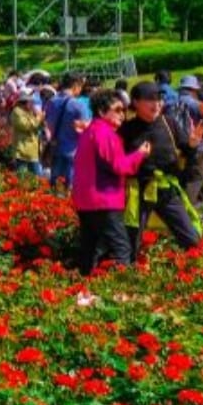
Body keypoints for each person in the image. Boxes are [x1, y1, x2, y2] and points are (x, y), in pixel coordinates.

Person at [118, 81, 202, 254]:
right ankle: (127, 276)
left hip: (166, 189)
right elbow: (118, 161)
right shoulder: (126, 129)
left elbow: (187, 152)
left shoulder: (169, 123)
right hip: (139, 191)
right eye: (150, 100)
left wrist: (192, 145)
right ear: (136, 102)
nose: (156, 104)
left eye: (159, 99)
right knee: (131, 242)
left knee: (191, 238)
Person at [72, 89, 149, 278]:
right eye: (118, 110)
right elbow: (119, 166)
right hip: (104, 199)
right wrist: (139, 154)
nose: (123, 115)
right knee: (121, 247)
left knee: (91, 248)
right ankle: (124, 288)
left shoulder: (90, 131)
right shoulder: (104, 133)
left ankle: (84, 287)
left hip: (86, 199)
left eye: (124, 110)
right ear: (101, 111)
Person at [44, 74, 92, 189]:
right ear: (75, 86)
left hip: (55, 148)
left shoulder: (51, 102)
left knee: (55, 186)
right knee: (70, 188)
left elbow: (48, 123)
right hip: (73, 150)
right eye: (80, 86)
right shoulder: (78, 105)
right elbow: (85, 128)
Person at [9, 94, 44, 177]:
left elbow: (38, 126)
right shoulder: (17, 112)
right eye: (31, 103)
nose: (32, 105)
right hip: (23, 149)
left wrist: (40, 118)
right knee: (22, 176)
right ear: (24, 103)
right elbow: (26, 126)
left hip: (33, 150)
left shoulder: (30, 112)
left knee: (37, 176)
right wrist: (39, 117)